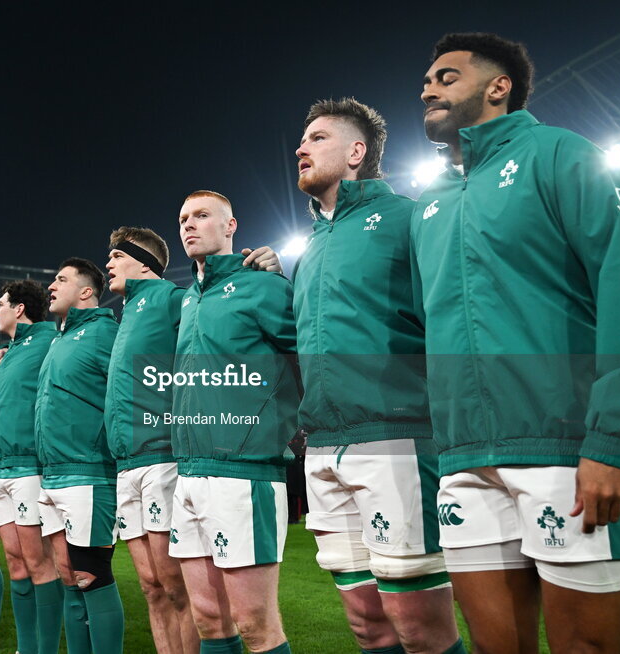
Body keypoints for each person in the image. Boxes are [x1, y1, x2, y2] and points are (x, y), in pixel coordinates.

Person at [414, 32, 620, 653]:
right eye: (425, 81)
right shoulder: (430, 202)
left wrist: (613, 440)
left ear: (498, 87)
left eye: (446, 77)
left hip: (563, 449)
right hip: (462, 460)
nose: (428, 88)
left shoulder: (564, 155)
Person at [291, 98, 463, 653]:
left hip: (396, 439)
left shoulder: (407, 219)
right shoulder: (312, 244)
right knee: (367, 624)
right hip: (322, 446)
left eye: (317, 138)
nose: (301, 147)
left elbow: (448, 321)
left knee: (420, 627)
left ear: (357, 152)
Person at [170, 190, 299, 654]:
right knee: (208, 620)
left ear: (231, 227)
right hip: (188, 473)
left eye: (202, 215)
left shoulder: (263, 286)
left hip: (244, 472)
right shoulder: (188, 299)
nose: (188, 224)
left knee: (255, 624)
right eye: (183, 217)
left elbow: (309, 355)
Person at [104, 226, 199, 654]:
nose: (108, 264)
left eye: (116, 257)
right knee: (151, 587)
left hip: (163, 455)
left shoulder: (172, 298)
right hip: (126, 463)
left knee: (177, 587)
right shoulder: (128, 313)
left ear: (142, 261)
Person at [36, 258, 122, 654]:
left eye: (61, 279)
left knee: (91, 576)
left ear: (86, 291)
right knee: (67, 576)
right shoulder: (60, 337)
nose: (51, 284)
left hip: (89, 472)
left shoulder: (105, 332)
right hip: (51, 473)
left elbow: (130, 394)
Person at [0, 280, 60, 654]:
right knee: (16, 563)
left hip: (29, 466)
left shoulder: (50, 338)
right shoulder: (10, 350)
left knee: (38, 563)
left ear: (19, 309)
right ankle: (26, 647)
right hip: (1, 468)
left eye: (1, 304)